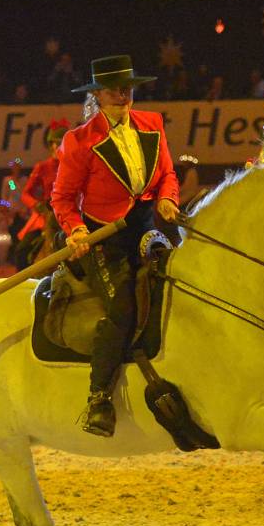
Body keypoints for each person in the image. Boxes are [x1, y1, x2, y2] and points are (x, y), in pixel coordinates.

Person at [53, 55, 180, 438]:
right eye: (115, 89)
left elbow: (168, 174)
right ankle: (98, 399)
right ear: (99, 94)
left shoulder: (153, 124)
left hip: (145, 227)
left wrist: (168, 197)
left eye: (128, 87)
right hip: (103, 238)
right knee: (123, 305)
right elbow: (62, 198)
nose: (124, 95)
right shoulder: (78, 142)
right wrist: (75, 231)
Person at [17, 118, 70, 249]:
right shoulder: (42, 167)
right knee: (22, 250)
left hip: (69, 213)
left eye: (63, 144)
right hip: (47, 214)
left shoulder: (73, 166)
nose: (60, 147)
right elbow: (25, 194)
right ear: (50, 145)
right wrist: (37, 205)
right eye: (57, 144)